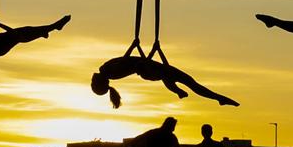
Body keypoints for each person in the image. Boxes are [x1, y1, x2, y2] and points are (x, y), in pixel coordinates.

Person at [91, 51, 238, 109]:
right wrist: (142, 50)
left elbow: (127, 60)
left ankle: (218, 98)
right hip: (149, 69)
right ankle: (217, 98)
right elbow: (130, 61)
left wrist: (139, 48)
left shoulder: (107, 71)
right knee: (186, 81)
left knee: (185, 81)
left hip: (149, 68)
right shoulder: (109, 72)